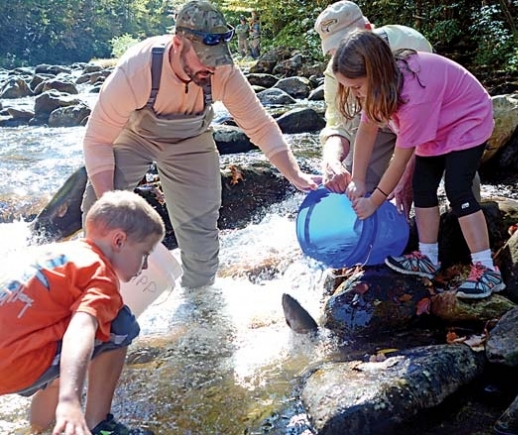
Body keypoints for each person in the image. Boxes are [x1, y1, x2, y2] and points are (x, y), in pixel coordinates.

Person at [81, 0, 318, 290]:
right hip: (136, 138)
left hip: (191, 142)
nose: (211, 65)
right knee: (98, 208)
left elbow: (260, 125)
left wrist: (295, 175)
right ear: (178, 43)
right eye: (204, 56)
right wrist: (110, 204)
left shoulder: (223, 72)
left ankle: (198, 306)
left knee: (202, 236)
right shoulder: (137, 69)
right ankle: (92, 289)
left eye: (217, 56)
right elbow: (97, 139)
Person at [333, 29, 505, 299]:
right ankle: (428, 259)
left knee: (457, 189)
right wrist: (358, 178)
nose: (354, 94)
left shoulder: (414, 93)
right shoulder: (380, 86)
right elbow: (366, 132)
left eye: (356, 87)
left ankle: (486, 269)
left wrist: (374, 202)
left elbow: (400, 160)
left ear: (375, 74)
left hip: (467, 120)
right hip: (437, 121)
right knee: (422, 187)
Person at [0, 190, 165, 435]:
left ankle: (37, 429)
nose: (143, 266)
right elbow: (81, 330)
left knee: (61, 335)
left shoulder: (57, 253)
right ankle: (98, 424)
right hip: (17, 366)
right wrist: (70, 400)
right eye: (144, 254)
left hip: (9, 355)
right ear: (118, 241)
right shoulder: (100, 275)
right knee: (120, 323)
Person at [314, 0, 480, 218]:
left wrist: (406, 173)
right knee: (357, 190)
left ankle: (465, 227)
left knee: (458, 185)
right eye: (335, 50)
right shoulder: (335, 72)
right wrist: (332, 161)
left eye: (347, 42)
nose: (343, 55)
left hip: (436, 123)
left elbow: (425, 116)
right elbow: (338, 125)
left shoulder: (410, 43)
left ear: (367, 29)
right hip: (379, 123)